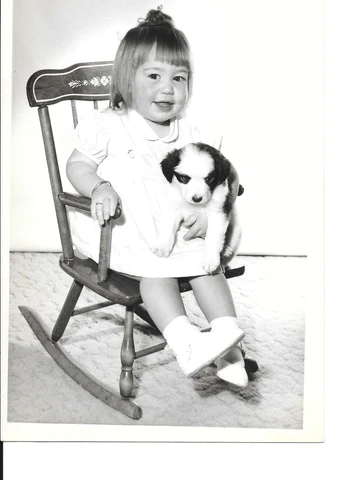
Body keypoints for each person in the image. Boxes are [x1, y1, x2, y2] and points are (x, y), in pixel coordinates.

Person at [66, 7, 248, 387]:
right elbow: (78, 166)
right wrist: (99, 187)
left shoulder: (191, 132)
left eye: (178, 78)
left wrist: (217, 203)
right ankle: (185, 343)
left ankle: (228, 343)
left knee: (207, 266)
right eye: (154, 76)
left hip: (176, 230)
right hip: (125, 230)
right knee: (156, 272)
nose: (168, 89)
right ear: (126, 80)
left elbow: (226, 176)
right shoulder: (109, 126)